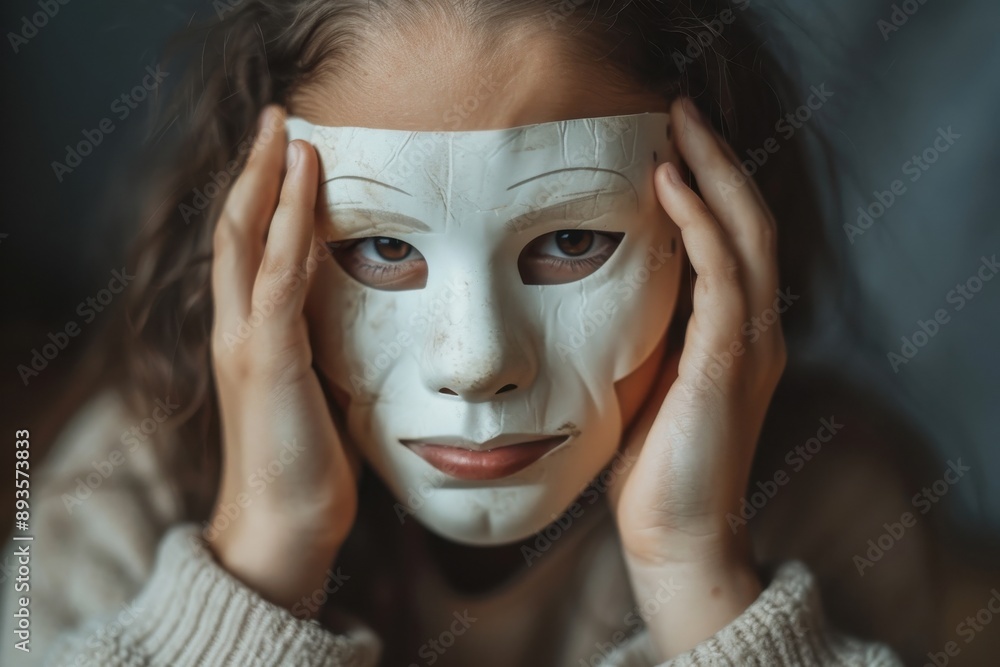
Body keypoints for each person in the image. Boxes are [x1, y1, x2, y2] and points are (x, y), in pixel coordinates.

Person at [2, 1, 936, 665]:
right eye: (378, 246)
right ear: (251, 246)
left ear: (722, 235)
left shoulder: (826, 504)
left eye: (572, 240)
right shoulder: (122, 487)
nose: (478, 362)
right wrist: (263, 557)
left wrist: (702, 580)